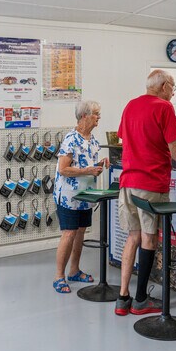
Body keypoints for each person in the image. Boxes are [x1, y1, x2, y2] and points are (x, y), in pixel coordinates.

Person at [114, 70, 176, 315]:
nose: (173, 91)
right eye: (172, 87)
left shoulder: (130, 106)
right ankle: (140, 300)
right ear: (163, 87)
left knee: (133, 237)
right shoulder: (164, 108)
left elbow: (123, 139)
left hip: (127, 182)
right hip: (151, 184)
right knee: (149, 239)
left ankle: (123, 298)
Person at [52, 100, 109, 294]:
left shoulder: (92, 140)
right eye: (95, 113)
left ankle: (74, 270)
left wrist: (100, 164)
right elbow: (63, 169)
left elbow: (91, 169)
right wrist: (87, 170)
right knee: (69, 233)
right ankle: (59, 276)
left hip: (86, 195)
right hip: (68, 196)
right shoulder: (70, 139)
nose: (98, 117)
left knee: (80, 233)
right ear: (84, 116)